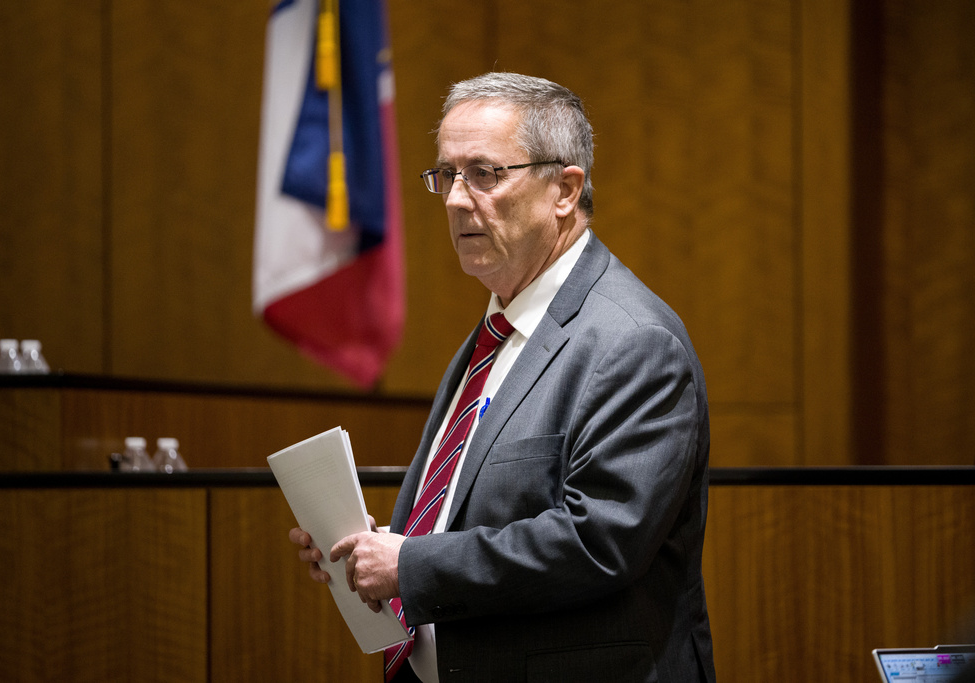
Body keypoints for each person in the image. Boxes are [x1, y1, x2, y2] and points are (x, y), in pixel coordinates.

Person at [290, 71, 716, 683]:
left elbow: (599, 541)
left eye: (485, 174)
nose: (457, 199)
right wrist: (367, 550)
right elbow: (476, 514)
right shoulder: (496, 332)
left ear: (565, 189)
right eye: (446, 175)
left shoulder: (633, 342)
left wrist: (411, 565)